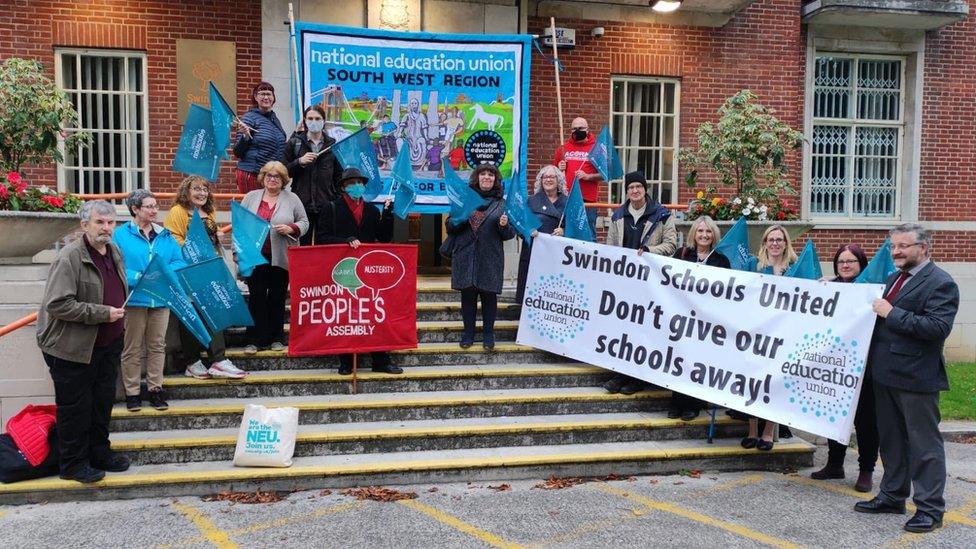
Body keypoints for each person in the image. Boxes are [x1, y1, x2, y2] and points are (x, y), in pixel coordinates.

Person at [854, 224, 959, 534]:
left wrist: (891, 313)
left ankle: (929, 509)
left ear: (922, 248)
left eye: (903, 246)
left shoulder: (941, 283)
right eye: (893, 246)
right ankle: (892, 495)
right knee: (892, 441)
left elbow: (936, 328)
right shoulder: (893, 279)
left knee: (924, 446)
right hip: (885, 375)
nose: (896, 251)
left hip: (916, 379)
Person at [36, 200, 130, 483]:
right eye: (99, 222)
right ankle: (73, 464)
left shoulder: (113, 251)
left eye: (111, 222)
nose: (106, 228)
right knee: (75, 408)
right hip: (72, 349)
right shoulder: (70, 257)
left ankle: (99, 453)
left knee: (101, 404)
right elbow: (58, 304)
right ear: (84, 225)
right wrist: (103, 313)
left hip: (107, 344)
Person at [315, 168, 402, 375]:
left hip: (368, 271)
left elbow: (383, 237)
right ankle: (346, 360)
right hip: (342, 271)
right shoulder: (331, 208)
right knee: (345, 316)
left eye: (360, 182)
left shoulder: (372, 210)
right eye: (352, 182)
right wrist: (344, 242)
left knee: (373, 315)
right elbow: (321, 239)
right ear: (344, 186)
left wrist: (388, 214)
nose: (357, 186)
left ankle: (380, 359)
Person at [810, 243, 879, 492]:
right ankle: (835, 464)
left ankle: (866, 470)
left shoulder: (873, 290)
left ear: (862, 264)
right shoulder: (830, 288)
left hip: (865, 367)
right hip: (835, 366)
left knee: (866, 421)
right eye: (841, 261)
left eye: (851, 261)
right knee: (834, 415)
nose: (846, 265)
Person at [603, 171, 677, 395]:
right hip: (626, 282)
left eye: (638, 187)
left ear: (645, 189)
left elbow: (671, 244)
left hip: (650, 284)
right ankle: (621, 373)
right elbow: (611, 247)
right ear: (627, 191)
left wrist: (649, 251)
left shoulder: (662, 215)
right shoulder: (618, 216)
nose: (634, 191)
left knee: (644, 330)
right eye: (631, 187)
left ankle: (637, 377)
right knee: (623, 328)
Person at [164, 175, 246, 379]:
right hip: (190, 271)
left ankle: (218, 359)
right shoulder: (178, 211)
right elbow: (173, 239)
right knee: (193, 316)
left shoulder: (208, 212)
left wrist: (217, 235)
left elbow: (210, 238)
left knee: (215, 312)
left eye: (205, 189)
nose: (202, 193)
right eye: (197, 189)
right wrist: (196, 248)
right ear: (186, 191)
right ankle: (192, 361)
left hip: (210, 269)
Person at [113, 190, 185, 412]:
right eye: (149, 206)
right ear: (135, 209)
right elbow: (116, 264)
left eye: (155, 206)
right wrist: (137, 277)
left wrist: (163, 272)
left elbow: (178, 261)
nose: (155, 210)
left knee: (157, 346)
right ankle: (132, 393)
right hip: (135, 299)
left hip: (160, 298)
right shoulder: (120, 234)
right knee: (132, 347)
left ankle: (155, 389)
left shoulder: (165, 234)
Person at [739, 224, 798, 451]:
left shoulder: (794, 267)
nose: (774, 243)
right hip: (755, 332)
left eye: (779, 239)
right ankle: (752, 429)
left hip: (782, 334)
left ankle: (768, 431)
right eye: (770, 239)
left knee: (774, 383)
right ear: (764, 243)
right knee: (752, 381)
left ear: (785, 243)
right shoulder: (753, 265)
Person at [240, 161, 309, 354]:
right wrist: (238, 254)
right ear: (263, 178)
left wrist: (292, 228)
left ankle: (277, 338)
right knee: (257, 297)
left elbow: (304, 222)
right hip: (255, 257)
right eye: (269, 176)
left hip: (282, 256)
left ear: (283, 180)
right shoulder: (250, 197)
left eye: (277, 176)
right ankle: (255, 339)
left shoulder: (292, 198)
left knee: (277, 297)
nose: (272, 179)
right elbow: (240, 225)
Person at [446, 163, 515, 350]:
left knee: (488, 296)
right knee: (468, 296)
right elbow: (450, 227)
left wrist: (503, 226)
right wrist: (460, 218)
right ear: (476, 178)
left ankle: (488, 335)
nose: (487, 177)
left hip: (490, 257)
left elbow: (509, 234)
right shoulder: (464, 199)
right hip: (466, 255)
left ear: (496, 180)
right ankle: (468, 334)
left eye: (491, 175)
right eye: (483, 174)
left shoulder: (502, 203)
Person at [669, 215, 730, 420]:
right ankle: (676, 400)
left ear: (714, 235)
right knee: (679, 359)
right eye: (701, 231)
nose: (704, 235)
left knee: (697, 363)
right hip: (682, 317)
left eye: (708, 231)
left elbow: (727, 293)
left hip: (706, 322)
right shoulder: (682, 254)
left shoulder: (721, 261)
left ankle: (692, 404)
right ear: (694, 233)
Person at [284, 105, 342, 245]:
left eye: (317, 118)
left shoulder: (333, 146)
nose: (314, 121)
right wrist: (299, 162)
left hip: (326, 204)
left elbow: (339, 176)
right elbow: (283, 171)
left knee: (325, 246)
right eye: (310, 118)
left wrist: (336, 198)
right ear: (305, 120)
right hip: (301, 204)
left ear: (324, 121)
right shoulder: (294, 143)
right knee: (302, 246)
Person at [515, 165, 567, 303]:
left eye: (552, 177)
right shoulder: (531, 201)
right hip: (533, 255)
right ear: (540, 180)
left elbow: (576, 229)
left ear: (559, 180)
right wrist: (528, 230)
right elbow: (519, 225)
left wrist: (564, 231)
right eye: (545, 177)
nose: (548, 180)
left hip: (557, 257)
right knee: (531, 293)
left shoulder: (567, 202)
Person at [233, 81, 287, 194]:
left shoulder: (274, 119)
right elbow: (237, 152)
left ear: (273, 98)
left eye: (269, 94)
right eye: (262, 94)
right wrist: (245, 136)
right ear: (255, 97)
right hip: (252, 173)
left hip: (269, 174)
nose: (266, 97)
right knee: (253, 209)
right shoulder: (249, 118)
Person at [554, 117, 603, 234]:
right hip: (565, 198)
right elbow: (552, 175)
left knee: (588, 233)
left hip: (587, 200)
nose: (577, 131)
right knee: (565, 232)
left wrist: (588, 176)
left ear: (587, 129)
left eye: (580, 128)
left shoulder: (597, 149)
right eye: (574, 129)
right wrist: (558, 169)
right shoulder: (563, 148)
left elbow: (604, 175)